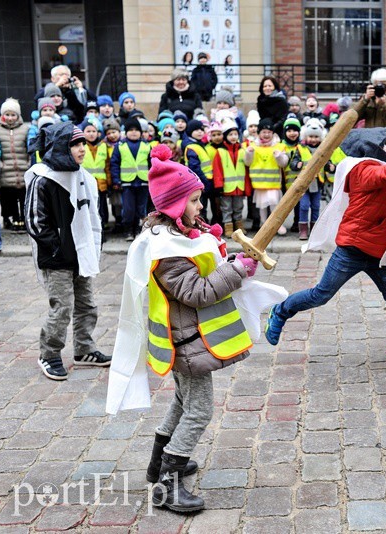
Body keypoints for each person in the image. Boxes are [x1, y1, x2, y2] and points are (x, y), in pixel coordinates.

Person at [106, 143, 279, 513]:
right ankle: (169, 484)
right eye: (195, 200)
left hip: (187, 338)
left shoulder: (176, 237)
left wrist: (230, 262)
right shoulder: (166, 250)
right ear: (174, 204)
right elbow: (198, 292)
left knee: (184, 402)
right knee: (199, 410)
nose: (201, 207)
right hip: (186, 342)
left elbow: (203, 269)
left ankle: (159, 464)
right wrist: (236, 270)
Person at [264, 128, 386, 368]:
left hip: (379, 253)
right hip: (352, 249)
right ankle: (281, 311)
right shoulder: (362, 169)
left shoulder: (374, 166)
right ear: (371, 148)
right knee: (321, 294)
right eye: (383, 145)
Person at [24, 122, 109, 380]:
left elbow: (92, 215)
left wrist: (92, 245)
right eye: (75, 144)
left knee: (87, 304)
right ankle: (49, 354)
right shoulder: (43, 179)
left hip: (80, 254)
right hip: (57, 257)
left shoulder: (82, 176)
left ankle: (84, 349)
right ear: (61, 147)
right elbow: (34, 221)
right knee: (61, 308)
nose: (82, 148)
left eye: (83, 143)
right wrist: (57, 247)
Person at [243, 118, 288, 236]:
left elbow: (284, 163)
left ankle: (277, 225)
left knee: (275, 204)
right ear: (259, 133)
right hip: (259, 183)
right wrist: (249, 153)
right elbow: (247, 163)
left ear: (273, 133)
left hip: (273, 183)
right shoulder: (252, 146)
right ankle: (264, 224)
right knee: (262, 205)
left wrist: (279, 156)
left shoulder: (279, 146)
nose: (266, 134)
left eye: (269, 132)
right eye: (263, 132)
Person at [111, 116, 151, 241]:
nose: (134, 132)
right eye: (130, 130)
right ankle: (128, 230)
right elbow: (114, 163)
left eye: (136, 130)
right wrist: (116, 180)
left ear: (141, 132)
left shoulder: (146, 146)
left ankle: (139, 230)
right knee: (128, 209)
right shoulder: (120, 146)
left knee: (141, 209)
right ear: (126, 132)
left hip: (143, 182)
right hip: (127, 183)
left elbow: (151, 164)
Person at [289, 118, 330, 239]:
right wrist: (297, 165)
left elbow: (327, 163)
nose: (313, 139)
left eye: (316, 137)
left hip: (318, 182)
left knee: (316, 206)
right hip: (304, 184)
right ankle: (303, 230)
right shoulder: (300, 148)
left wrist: (331, 167)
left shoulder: (323, 149)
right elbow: (293, 162)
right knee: (304, 206)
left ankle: (314, 229)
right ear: (305, 136)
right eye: (310, 136)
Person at [213, 119, 252, 237]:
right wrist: (219, 185)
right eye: (230, 134)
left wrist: (246, 186)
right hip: (226, 187)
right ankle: (228, 226)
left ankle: (239, 227)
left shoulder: (242, 150)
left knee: (238, 207)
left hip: (239, 186)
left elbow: (245, 169)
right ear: (226, 136)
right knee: (226, 208)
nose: (233, 136)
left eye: (235, 134)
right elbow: (217, 169)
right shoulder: (220, 151)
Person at [0, 98, 30, 232]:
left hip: (22, 168)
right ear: (2, 115)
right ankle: (10, 219)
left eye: (13, 115)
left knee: (23, 196)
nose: (10, 118)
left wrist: (28, 162)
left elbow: (27, 147)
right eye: (7, 114)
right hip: (6, 170)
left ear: (18, 115)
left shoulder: (25, 129)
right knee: (8, 197)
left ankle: (23, 219)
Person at [81, 118, 111, 230]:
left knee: (101, 208)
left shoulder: (103, 145)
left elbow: (107, 165)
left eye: (94, 131)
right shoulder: (81, 146)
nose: (91, 134)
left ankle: (102, 230)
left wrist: (109, 181)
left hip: (101, 184)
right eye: (88, 131)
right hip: (85, 184)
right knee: (89, 209)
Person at [279, 116, 303, 233]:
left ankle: (297, 222)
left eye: (295, 130)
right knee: (283, 205)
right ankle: (279, 224)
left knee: (298, 204)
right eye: (289, 131)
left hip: (298, 180)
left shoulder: (302, 147)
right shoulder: (281, 146)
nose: (292, 133)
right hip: (283, 181)